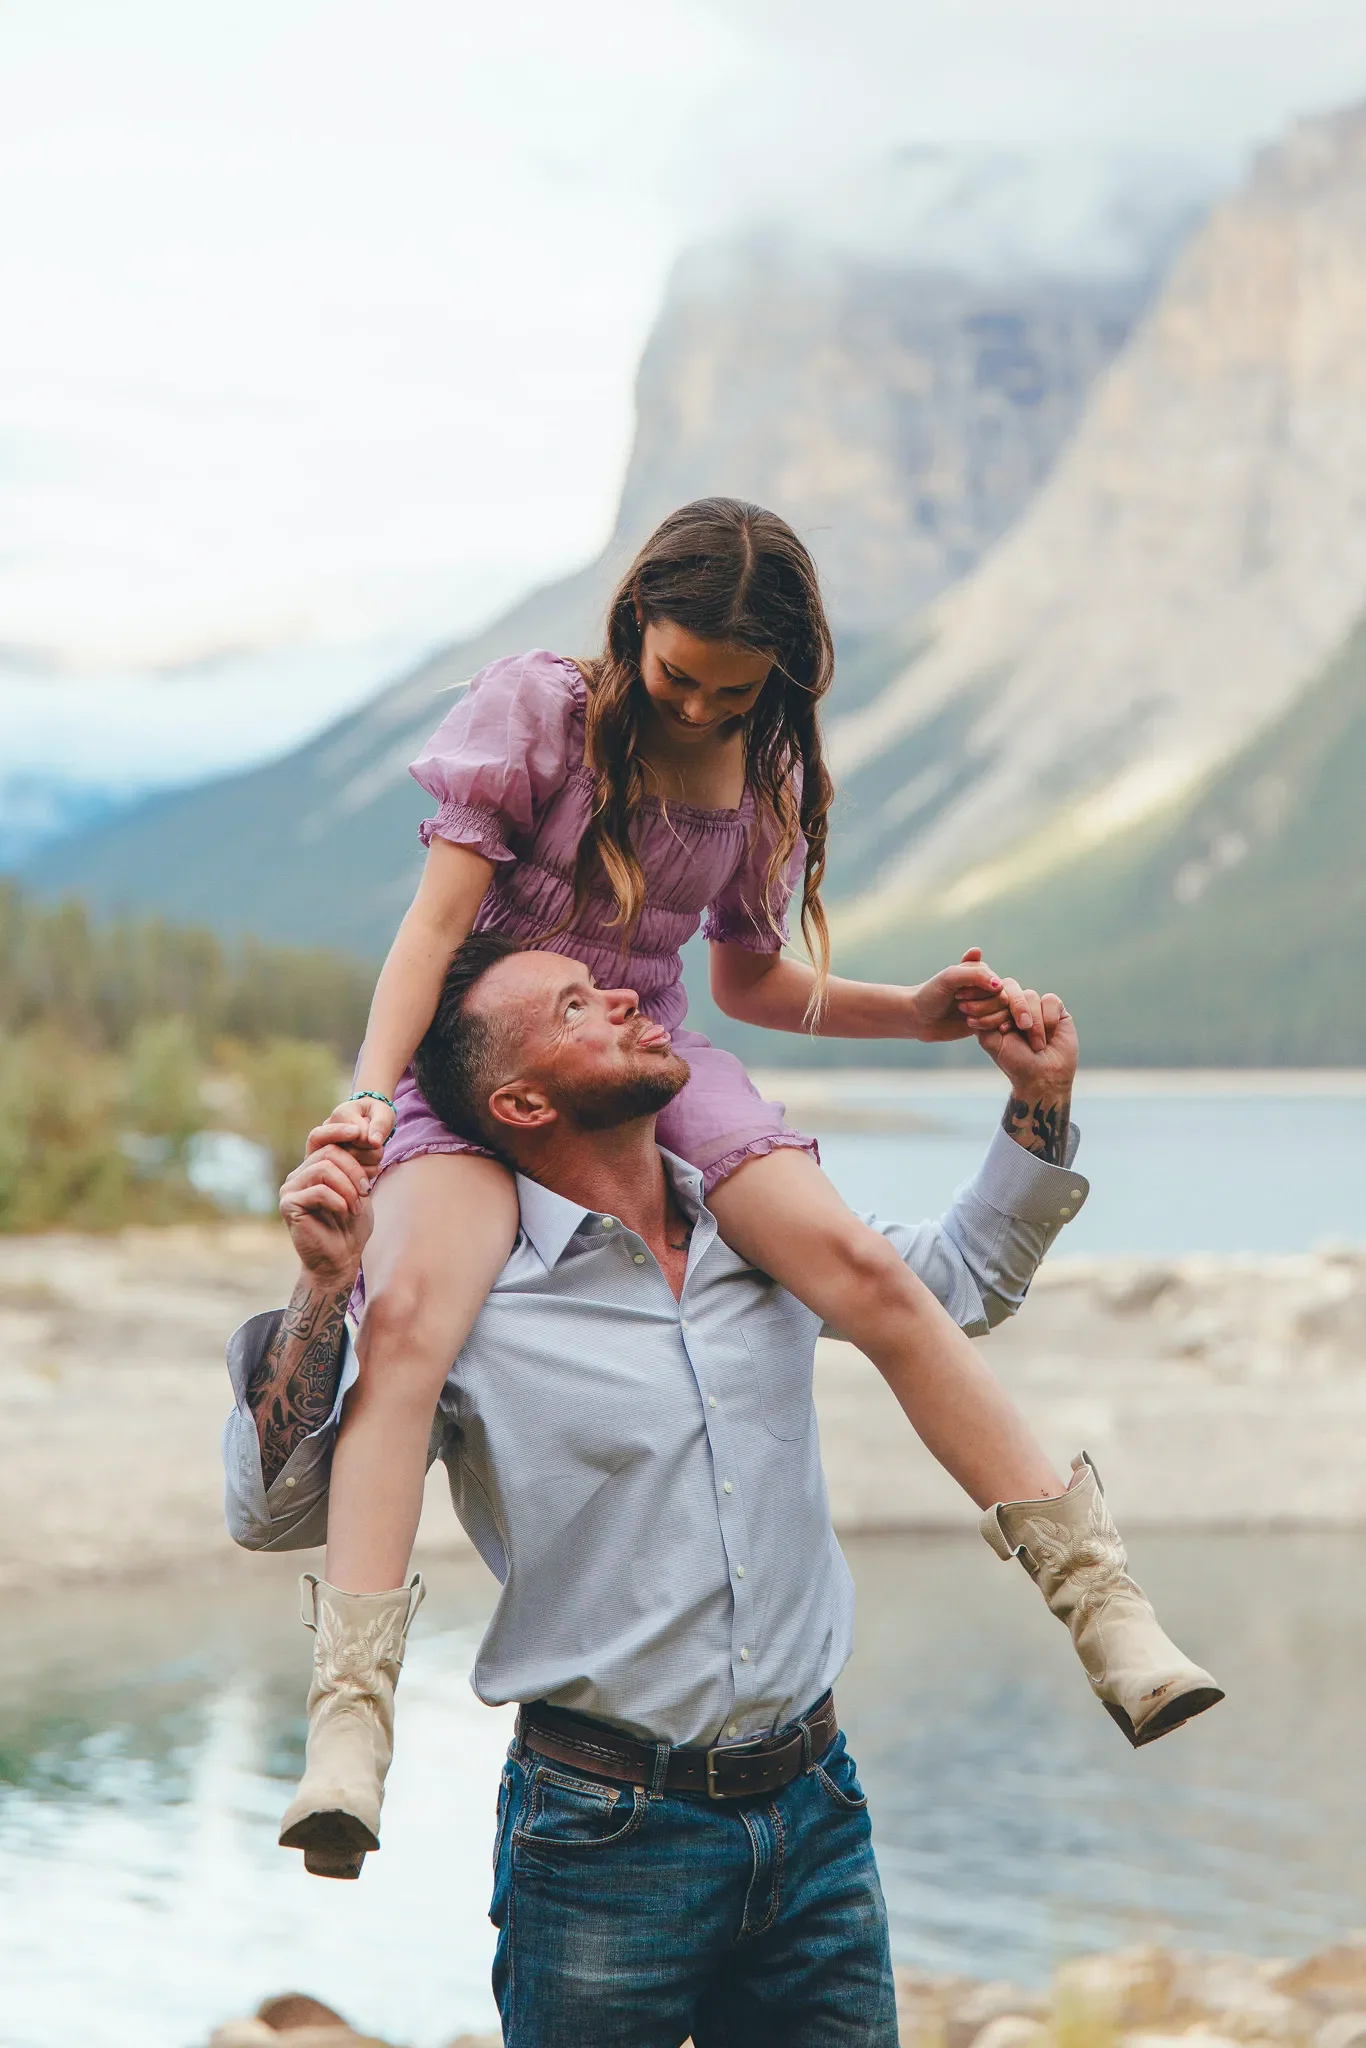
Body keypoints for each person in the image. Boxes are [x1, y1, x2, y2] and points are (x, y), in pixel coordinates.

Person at [277, 496, 1213, 1870]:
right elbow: (431, 928)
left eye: (734, 690)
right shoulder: (538, 711)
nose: (703, 709)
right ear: (632, 630)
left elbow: (740, 979)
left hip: (650, 1035)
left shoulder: (758, 778)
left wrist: (919, 1013)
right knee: (410, 1320)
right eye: (677, 679)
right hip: (483, 1045)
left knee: (870, 1276)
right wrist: (372, 1091)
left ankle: (1104, 1609)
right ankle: (348, 1733)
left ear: (780, 672)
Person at [224, 935, 1222, 2045]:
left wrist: (1039, 1101)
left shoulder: (770, 1233)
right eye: (574, 1006)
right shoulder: (464, 1300)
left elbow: (959, 1287)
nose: (624, 995)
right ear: (520, 1098)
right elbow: (268, 1512)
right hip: (602, 1835)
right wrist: (321, 1292)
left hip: (816, 1808)